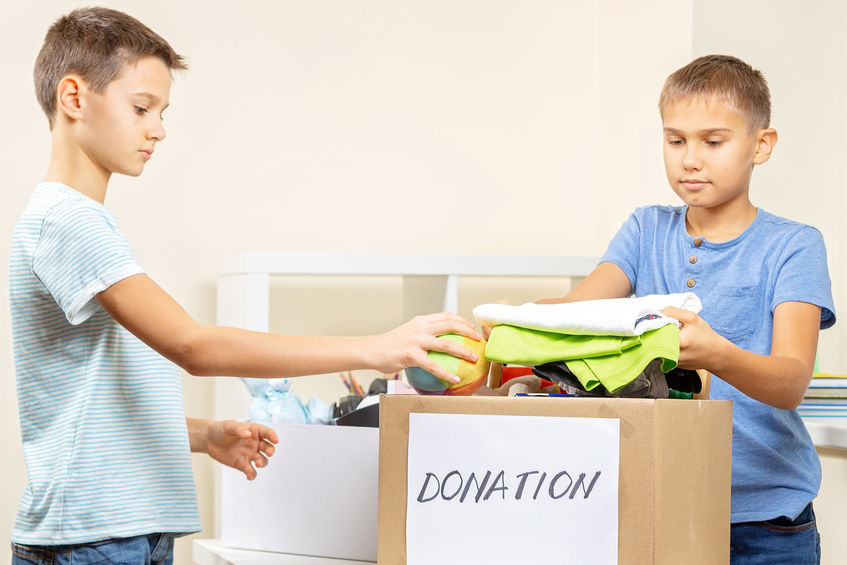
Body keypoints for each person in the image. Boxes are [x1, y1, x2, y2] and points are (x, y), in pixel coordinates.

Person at [10, 7, 479, 564]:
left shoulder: (74, 222)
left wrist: (206, 435)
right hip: (94, 539)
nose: (158, 129)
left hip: (119, 533)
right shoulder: (70, 221)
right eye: (141, 108)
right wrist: (376, 346)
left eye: (162, 112)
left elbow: (95, 415)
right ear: (73, 98)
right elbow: (195, 346)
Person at [534, 55, 834, 564]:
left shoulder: (794, 246)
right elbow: (573, 311)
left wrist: (716, 354)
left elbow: (789, 384)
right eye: (675, 141)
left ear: (761, 145)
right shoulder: (646, 229)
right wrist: (513, 318)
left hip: (768, 524)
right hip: (658, 501)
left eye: (713, 142)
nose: (690, 159)